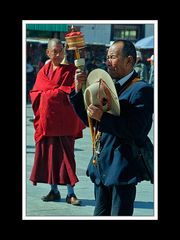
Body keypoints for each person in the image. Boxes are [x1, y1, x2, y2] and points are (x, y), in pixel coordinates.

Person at [70, 39, 154, 216]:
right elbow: (91, 122)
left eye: (113, 57)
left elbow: (137, 130)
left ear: (129, 61)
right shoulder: (107, 85)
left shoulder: (141, 89)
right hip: (102, 167)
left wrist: (103, 117)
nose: (108, 61)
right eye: (107, 57)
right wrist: (78, 92)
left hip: (122, 169)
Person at [29, 38, 85, 205]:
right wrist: (53, 94)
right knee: (50, 158)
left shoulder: (71, 70)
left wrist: (77, 83)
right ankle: (54, 191)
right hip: (47, 122)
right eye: (55, 51)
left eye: (61, 50)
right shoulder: (43, 72)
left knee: (67, 158)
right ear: (48, 53)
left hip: (64, 122)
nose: (59, 54)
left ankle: (70, 193)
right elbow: (35, 93)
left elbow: (73, 92)